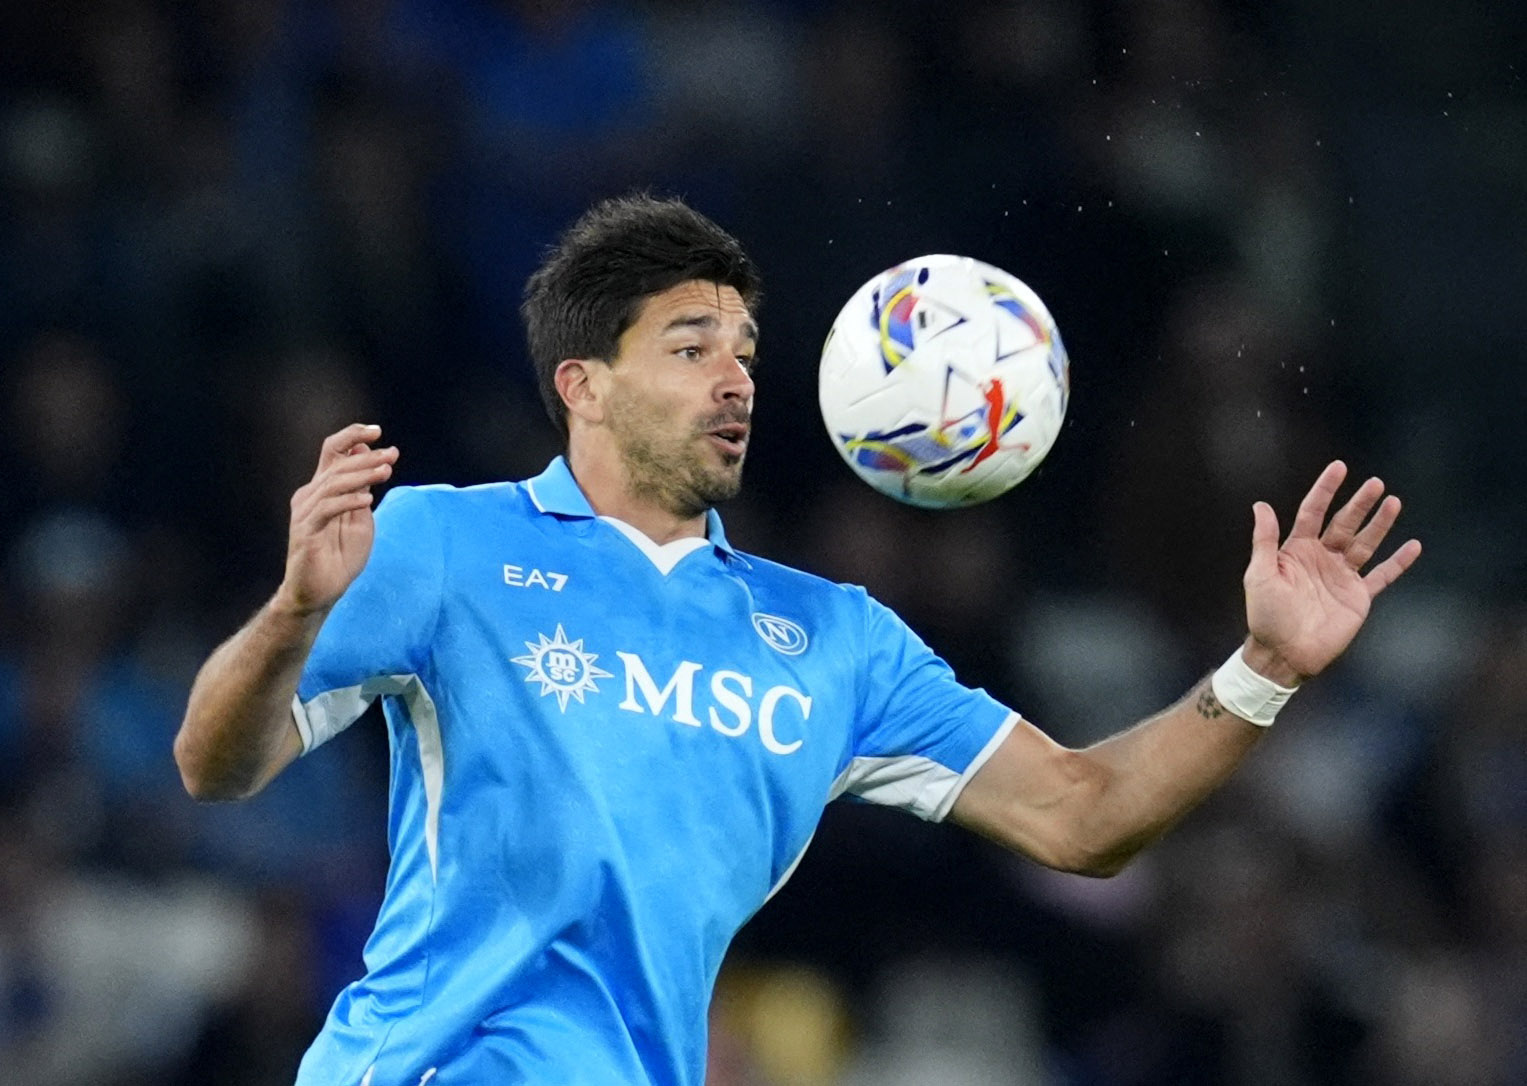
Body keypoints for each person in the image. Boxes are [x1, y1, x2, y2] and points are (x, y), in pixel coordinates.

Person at [173, 194, 1421, 1086]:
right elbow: (215, 764)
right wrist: (293, 614)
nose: (737, 381)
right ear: (583, 385)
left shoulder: (834, 641)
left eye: (748, 352)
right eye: (691, 347)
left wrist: (1265, 670)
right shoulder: (444, 541)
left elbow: (1083, 819)